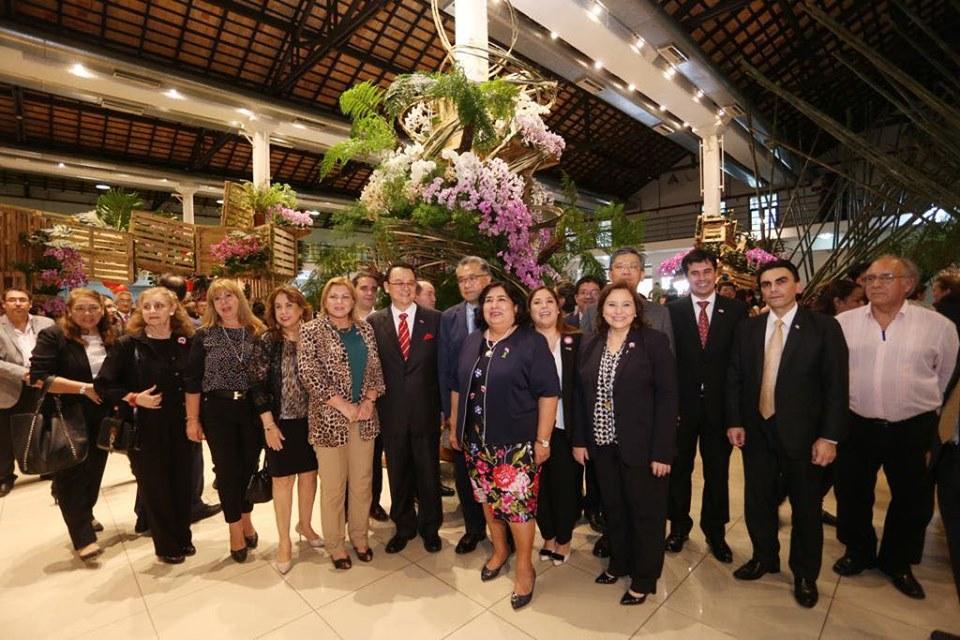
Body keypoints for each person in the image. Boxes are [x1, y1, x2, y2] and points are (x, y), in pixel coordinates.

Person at [834, 255, 959, 599]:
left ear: (908, 284)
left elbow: (946, 376)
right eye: (869, 279)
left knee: (912, 497)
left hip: (913, 427)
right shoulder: (844, 323)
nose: (875, 284)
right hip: (856, 422)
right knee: (852, 491)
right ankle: (858, 550)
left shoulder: (938, 326)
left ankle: (897, 561)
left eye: (886, 277)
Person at [726, 260, 849, 608]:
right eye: (766, 284)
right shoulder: (748, 329)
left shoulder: (823, 328)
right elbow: (735, 377)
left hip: (805, 435)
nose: (773, 289)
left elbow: (837, 386)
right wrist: (734, 421)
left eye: (781, 281)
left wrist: (829, 437)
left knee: (806, 508)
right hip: (757, 430)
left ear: (798, 285)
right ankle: (764, 557)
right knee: (758, 500)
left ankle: (805, 574)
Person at [449, 281, 559, 610]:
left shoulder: (531, 342)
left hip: (516, 445)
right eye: (488, 301)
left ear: (516, 307)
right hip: (476, 441)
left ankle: (524, 567)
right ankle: (499, 550)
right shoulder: (472, 341)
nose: (494, 305)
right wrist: (455, 425)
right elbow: (457, 386)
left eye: (502, 300)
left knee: (517, 509)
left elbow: (549, 393)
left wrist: (543, 439)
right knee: (486, 499)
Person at [574, 281, 678, 605]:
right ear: (601, 310)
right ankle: (619, 563)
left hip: (643, 448)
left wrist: (662, 451)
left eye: (625, 305)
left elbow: (668, 398)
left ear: (636, 310)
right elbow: (580, 396)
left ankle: (644, 578)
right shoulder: (591, 343)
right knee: (614, 509)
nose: (618, 311)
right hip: (603, 444)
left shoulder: (653, 342)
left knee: (645, 514)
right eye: (611, 305)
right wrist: (580, 440)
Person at [96, 287, 196, 564]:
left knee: (182, 485)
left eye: (159, 306)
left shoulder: (186, 341)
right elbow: (103, 385)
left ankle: (183, 538)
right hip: (145, 427)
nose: (153, 311)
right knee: (156, 488)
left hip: (181, 425)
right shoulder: (128, 345)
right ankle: (167, 546)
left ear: (172, 309)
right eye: (147, 306)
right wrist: (134, 398)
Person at [665, 249, 748, 562]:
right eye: (695, 273)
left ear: (716, 272)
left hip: (720, 407)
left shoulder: (736, 310)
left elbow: (739, 363)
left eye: (706, 271)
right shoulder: (672, 311)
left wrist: (736, 414)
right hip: (682, 407)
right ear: (687, 276)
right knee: (678, 470)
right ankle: (678, 527)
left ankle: (716, 532)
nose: (701, 278)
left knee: (717, 472)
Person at [298, 277, 385, 570]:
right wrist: (344, 406)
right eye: (333, 297)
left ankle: (359, 537)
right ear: (325, 300)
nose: (339, 302)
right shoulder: (311, 330)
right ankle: (335, 545)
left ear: (353, 301)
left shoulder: (365, 329)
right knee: (334, 487)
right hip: (329, 420)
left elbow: (375, 369)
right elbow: (309, 374)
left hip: (364, 419)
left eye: (345, 297)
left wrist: (369, 400)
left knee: (362, 483)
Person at [29, 288, 114, 561]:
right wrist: (83, 388)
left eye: (93, 308)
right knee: (72, 472)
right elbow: (38, 377)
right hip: (67, 412)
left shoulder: (110, 335)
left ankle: (85, 513)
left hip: (103, 412)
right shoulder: (54, 335)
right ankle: (82, 537)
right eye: (81, 308)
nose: (88, 314)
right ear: (69, 311)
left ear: (102, 309)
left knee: (95, 469)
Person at [184, 279, 265, 563]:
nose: (224, 303)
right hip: (217, 410)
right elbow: (192, 380)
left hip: (252, 409)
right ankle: (234, 529)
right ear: (211, 305)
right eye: (217, 299)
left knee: (249, 468)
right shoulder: (204, 336)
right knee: (227, 471)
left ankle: (246, 519)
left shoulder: (257, 332)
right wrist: (192, 419)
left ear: (239, 299)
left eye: (229, 296)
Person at [368, 264, 443, 554]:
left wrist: (445, 410)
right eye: (398, 283)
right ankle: (404, 527)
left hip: (426, 411)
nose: (405, 288)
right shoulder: (374, 322)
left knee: (429, 473)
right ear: (386, 287)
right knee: (398, 473)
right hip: (391, 412)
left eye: (410, 282)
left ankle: (430, 528)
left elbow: (443, 367)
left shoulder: (434, 320)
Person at [249, 286, 321, 575]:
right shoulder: (267, 340)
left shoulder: (314, 336)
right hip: (279, 421)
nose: (283, 312)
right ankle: (284, 541)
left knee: (309, 475)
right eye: (278, 307)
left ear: (302, 308)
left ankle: (305, 525)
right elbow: (257, 385)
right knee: (282, 480)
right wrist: (268, 424)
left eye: (289, 305)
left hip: (313, 420)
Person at [157, 273, 221, 525]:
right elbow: (196, 373)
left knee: (159, 461)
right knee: (187, 457)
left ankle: (148, 513)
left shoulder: (190, 328)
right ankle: (191, 504)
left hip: (162, 401)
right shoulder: (193, 329)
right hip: (182, 401)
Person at [439, 255, 492, 554]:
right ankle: (474, 529)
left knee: (497, 470)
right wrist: (448, 413)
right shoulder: (449, 317)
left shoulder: (503, 310)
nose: (467, 284)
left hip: (498, 407)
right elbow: (445, 368)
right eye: (462, 280)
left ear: (487, 279)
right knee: (464, 471)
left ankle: (505, 531)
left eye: (472, 278)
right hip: (462, 407)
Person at [529, 286, 581, 565]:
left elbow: (583, 390)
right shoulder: (522, 341)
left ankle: (564, 538)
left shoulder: (576, 339)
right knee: (539, 488)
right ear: (529, 310)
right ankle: (548, 535)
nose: (544, 306)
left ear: (559, 306)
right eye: (537, 302)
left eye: (549, 301)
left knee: (565, 487)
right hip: (531, 429)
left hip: (566, 428)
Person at [809, 278, 865, 526]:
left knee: (831, 470)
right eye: (857, 300)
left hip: (849, 411)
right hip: (821, 411)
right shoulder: (819, 328)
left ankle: (813, 506)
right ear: (838, 302)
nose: (861, 305)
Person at [0, 288, 54, 497]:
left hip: (43, 384)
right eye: (12, 300)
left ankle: (44, 467)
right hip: (9, 386)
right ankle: (4, 476)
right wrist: (24, 374)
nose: (18, 304)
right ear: (4, 304)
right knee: (5, 434)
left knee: (42, 426)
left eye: (22, 300)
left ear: (30, 303)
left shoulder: (46, 323)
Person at [580, 248, 673, 350]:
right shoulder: (592, 312)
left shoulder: (660, 313)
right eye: (619, 267)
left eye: (633, 267)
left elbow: (669, 354)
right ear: (610, 275)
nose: (626, 272)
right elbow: (584, 353)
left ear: (642, 274)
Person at [351, 271, 387, 522]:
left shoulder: (382, 321)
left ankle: (373, 503)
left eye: (374, 288)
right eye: (364, 287)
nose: (369, 292)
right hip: (344, 402)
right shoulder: (342, 320)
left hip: (377, 400)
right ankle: (347, 507)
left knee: (373, 456)